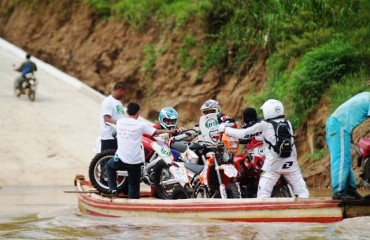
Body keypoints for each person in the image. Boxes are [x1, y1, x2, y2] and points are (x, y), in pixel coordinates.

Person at [219, 99, 309, 198]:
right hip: (291, 164)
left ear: (268, 111)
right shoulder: (288, 124)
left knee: (263, 193)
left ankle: (264, 212)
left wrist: (225, 129)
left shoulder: (264, 125)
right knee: (302, 191)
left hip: (273, 166)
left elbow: (243, 134)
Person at [105, 102, 180, 198]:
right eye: (167, 121)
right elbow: (155, 132)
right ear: (139, 113)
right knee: (133, 186)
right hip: (138, 162)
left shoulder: (121, 122)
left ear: (127, 112)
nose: (170, 123)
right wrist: (172, 132)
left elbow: (111, 122)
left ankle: (113, 190)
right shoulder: (143, 125)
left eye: (172, 121)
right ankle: (132, 200)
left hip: (123, 159)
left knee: (110, 166)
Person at [326, 92, 370, 200]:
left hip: (339, 125)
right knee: (340, 160)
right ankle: (339, 192)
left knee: (346, 160)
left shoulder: (367, 95)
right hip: (339, 125)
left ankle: (350, 190)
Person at [99, 82, 128, 152]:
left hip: (117, 138)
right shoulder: (108, 102)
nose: (125, 95)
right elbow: (107, 120)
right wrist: (121, 123)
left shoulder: (118, 103)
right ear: (120, 90)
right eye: (125, 92)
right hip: (108, 138)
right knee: (106, 161)